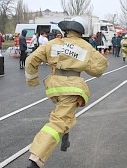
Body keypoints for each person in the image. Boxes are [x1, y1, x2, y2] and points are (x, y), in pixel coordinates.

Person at [25, 17, 108, 168]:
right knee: (58, 122)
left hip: (54, 88)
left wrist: (32, 80)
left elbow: (31, 60)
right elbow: (100, 67)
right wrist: (82, 65)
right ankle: (35, 160)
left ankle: (65, 137)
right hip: (71, 88)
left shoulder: (52, 43)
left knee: (63, 113)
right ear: (82, 30)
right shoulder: (86, 47)